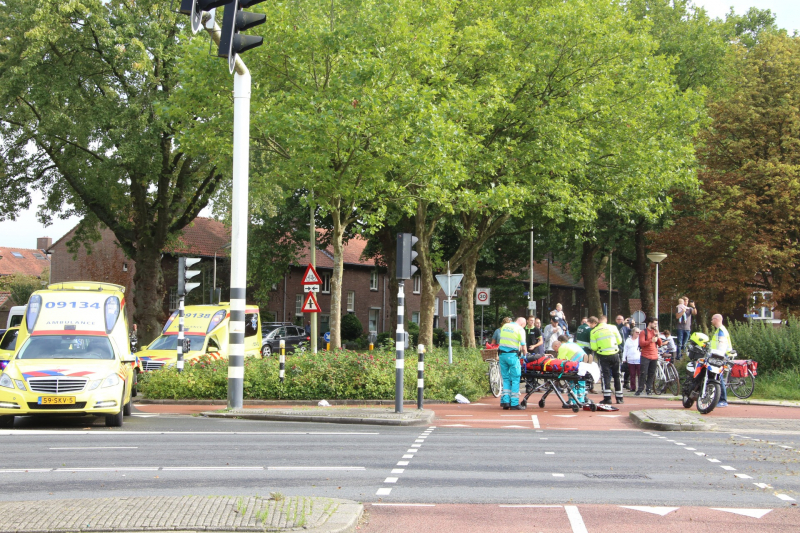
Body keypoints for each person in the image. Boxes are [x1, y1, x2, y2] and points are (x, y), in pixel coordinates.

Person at [589, 315, 624, 404]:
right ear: (606, 320)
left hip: (603, 355)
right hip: (615, 354)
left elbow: (593, 347)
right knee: (617, 375)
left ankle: (607, 398)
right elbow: (619, 341)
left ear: (598, 321)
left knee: (605, 376)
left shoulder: (593, 331)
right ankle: (619, 398)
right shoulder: (613, 327)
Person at [497, 317, 528, 410]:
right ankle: (514, 403)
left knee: (506, 378)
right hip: (512, 356)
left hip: (502, 355)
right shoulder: (520, 329)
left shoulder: (505, 326)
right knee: (515, 378)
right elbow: (523, 346)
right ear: (522, 324)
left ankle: (505, 401)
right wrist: (525, 356)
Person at [636, 317, 662, 396]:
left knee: (651, 374)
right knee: (643, 373)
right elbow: (641, 343)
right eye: (654, 323)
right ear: (650, 323)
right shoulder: (643, 332)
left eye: (656, 324)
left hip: (654, 356)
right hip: (645, 355)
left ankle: (649, 389)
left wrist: (658, 336)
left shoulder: (655, 332)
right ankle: (640, 389)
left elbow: (660, 344)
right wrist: (651, 340)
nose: (656, 325)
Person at [710, 313, 732, 407]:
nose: (711, 321)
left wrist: (718, 356)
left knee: (719, 377)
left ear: (717, 319)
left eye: (712, 319)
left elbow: (722, 345)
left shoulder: (721, 330)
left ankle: (723, 400)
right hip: (720, 356)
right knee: (718, 377)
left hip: (720, 356)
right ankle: (718, 399)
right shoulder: (720, 330)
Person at [622, 327, 641, 392]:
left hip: (638, 359)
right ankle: (633, 388)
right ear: (633, 332)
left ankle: (640, 387)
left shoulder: (639, 340)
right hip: (630, 359)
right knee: (632, 374)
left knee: (640, 374)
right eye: (637, 332)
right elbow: (625, 349)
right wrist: (624, 358)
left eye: (639, 332)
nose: (638, 334)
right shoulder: (628, 340)